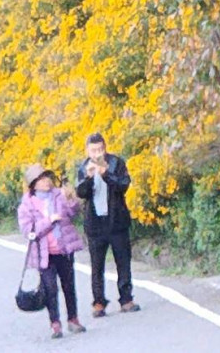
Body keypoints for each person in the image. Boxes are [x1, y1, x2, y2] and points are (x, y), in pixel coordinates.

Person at [17, 164, 87, 338]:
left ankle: (73, 319)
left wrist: (71, 199)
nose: (46, 181)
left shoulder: (58, 195)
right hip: (44, 254)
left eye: (47, 177)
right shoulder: (27, 204)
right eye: (41, 179)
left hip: (63, 249)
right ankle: (55, 323)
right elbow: (28, 230)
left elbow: (72, 213)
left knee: (69, 285)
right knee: (50, 289)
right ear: (34, 184)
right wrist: (48, 220)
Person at [74, 133, 140, 316]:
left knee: (123, 261)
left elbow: (123, 185)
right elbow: (80, 192)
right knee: (96, 265)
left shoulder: (116, 163)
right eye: (93, 150)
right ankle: (98, 302)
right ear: (87, 150)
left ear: (105, 148)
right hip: (95, 224)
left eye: (100, 149)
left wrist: (106, 174)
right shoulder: (83, 167)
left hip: (117, 221)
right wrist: (88, 177)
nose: (97, 154)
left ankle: (126, 299)